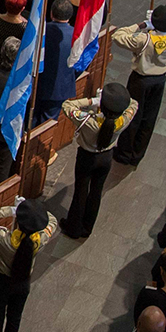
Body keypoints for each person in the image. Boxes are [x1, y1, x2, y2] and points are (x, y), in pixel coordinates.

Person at [0, 192, 60, 332]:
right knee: (14, 316)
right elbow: (52, 221)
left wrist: (13, 210)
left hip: (0, 281)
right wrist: (35, 213)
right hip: (22, 283)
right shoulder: (40, 239)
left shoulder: (1, 238)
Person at [58, 83, 135, 239]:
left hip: (87, 157)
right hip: (106, 158)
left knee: (80, 192)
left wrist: (93, 101)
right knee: (96, 192)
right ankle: (87, 227)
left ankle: (73, 228)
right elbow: (133, 104)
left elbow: (67, 105)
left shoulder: (88, 121)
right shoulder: (123, 120)